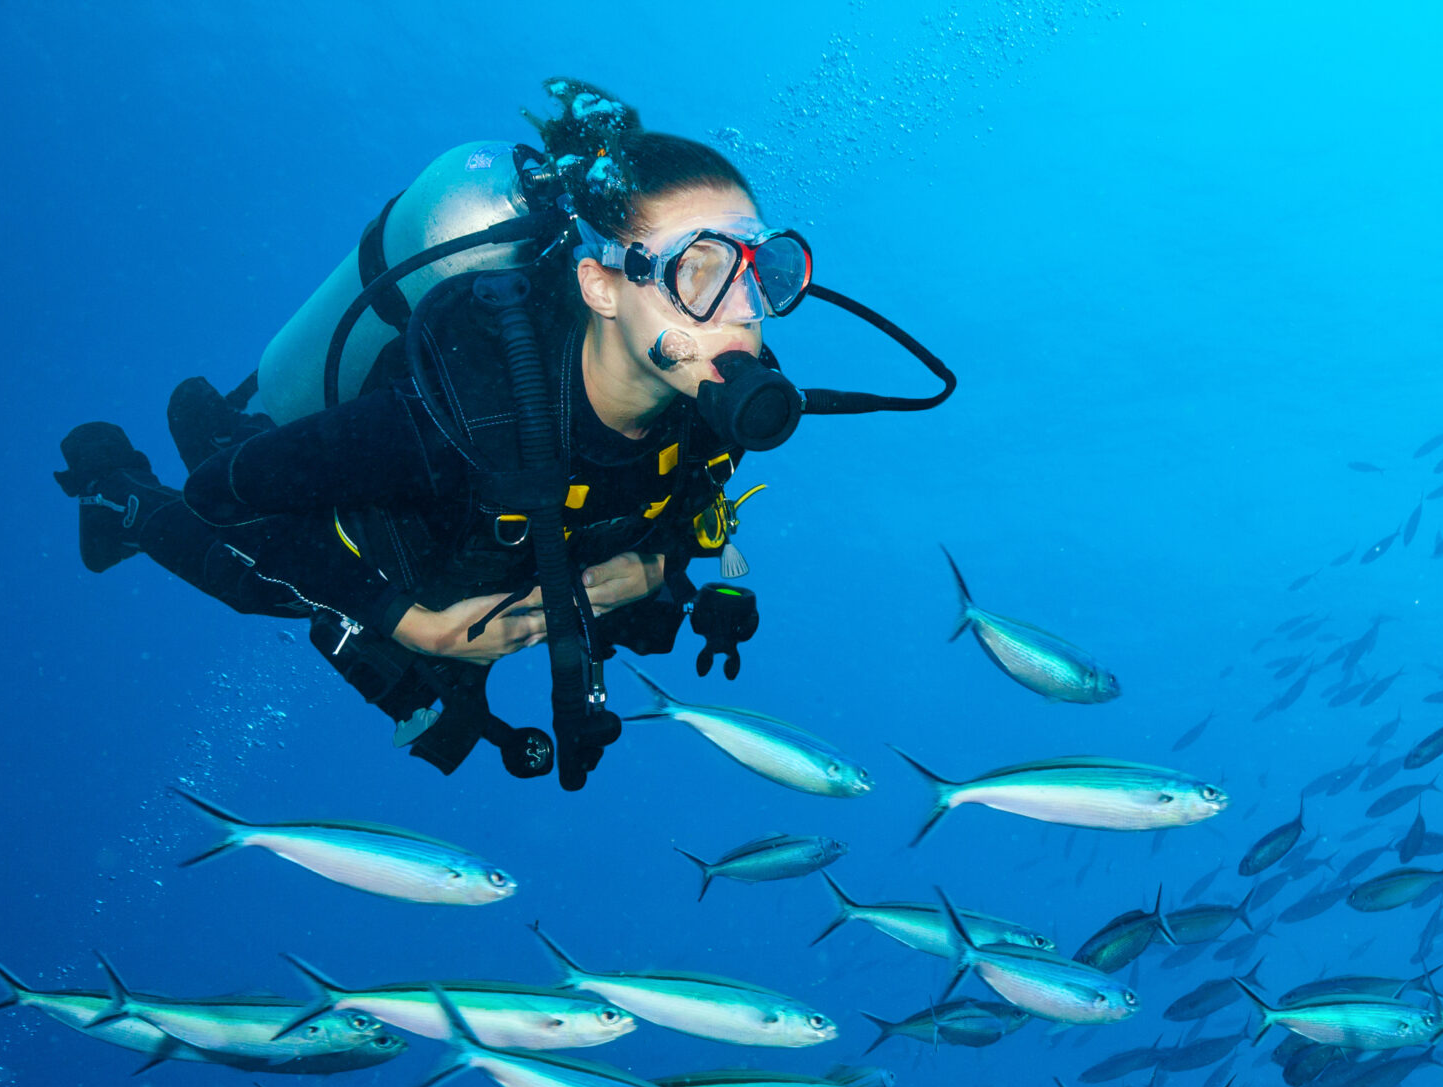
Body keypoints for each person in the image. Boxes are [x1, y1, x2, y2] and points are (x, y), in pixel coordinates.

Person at [55, 79, 949, 788]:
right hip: (386, 543)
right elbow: (224, 497)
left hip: (509, 561)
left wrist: (660, 569)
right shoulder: (458, 415)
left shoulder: (716, 396)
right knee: (257, 585)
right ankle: (119, 489)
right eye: (701, 272)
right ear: (602, 284)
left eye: (762, 273)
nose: (743, 315)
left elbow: (685, 508)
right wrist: (412, 624)